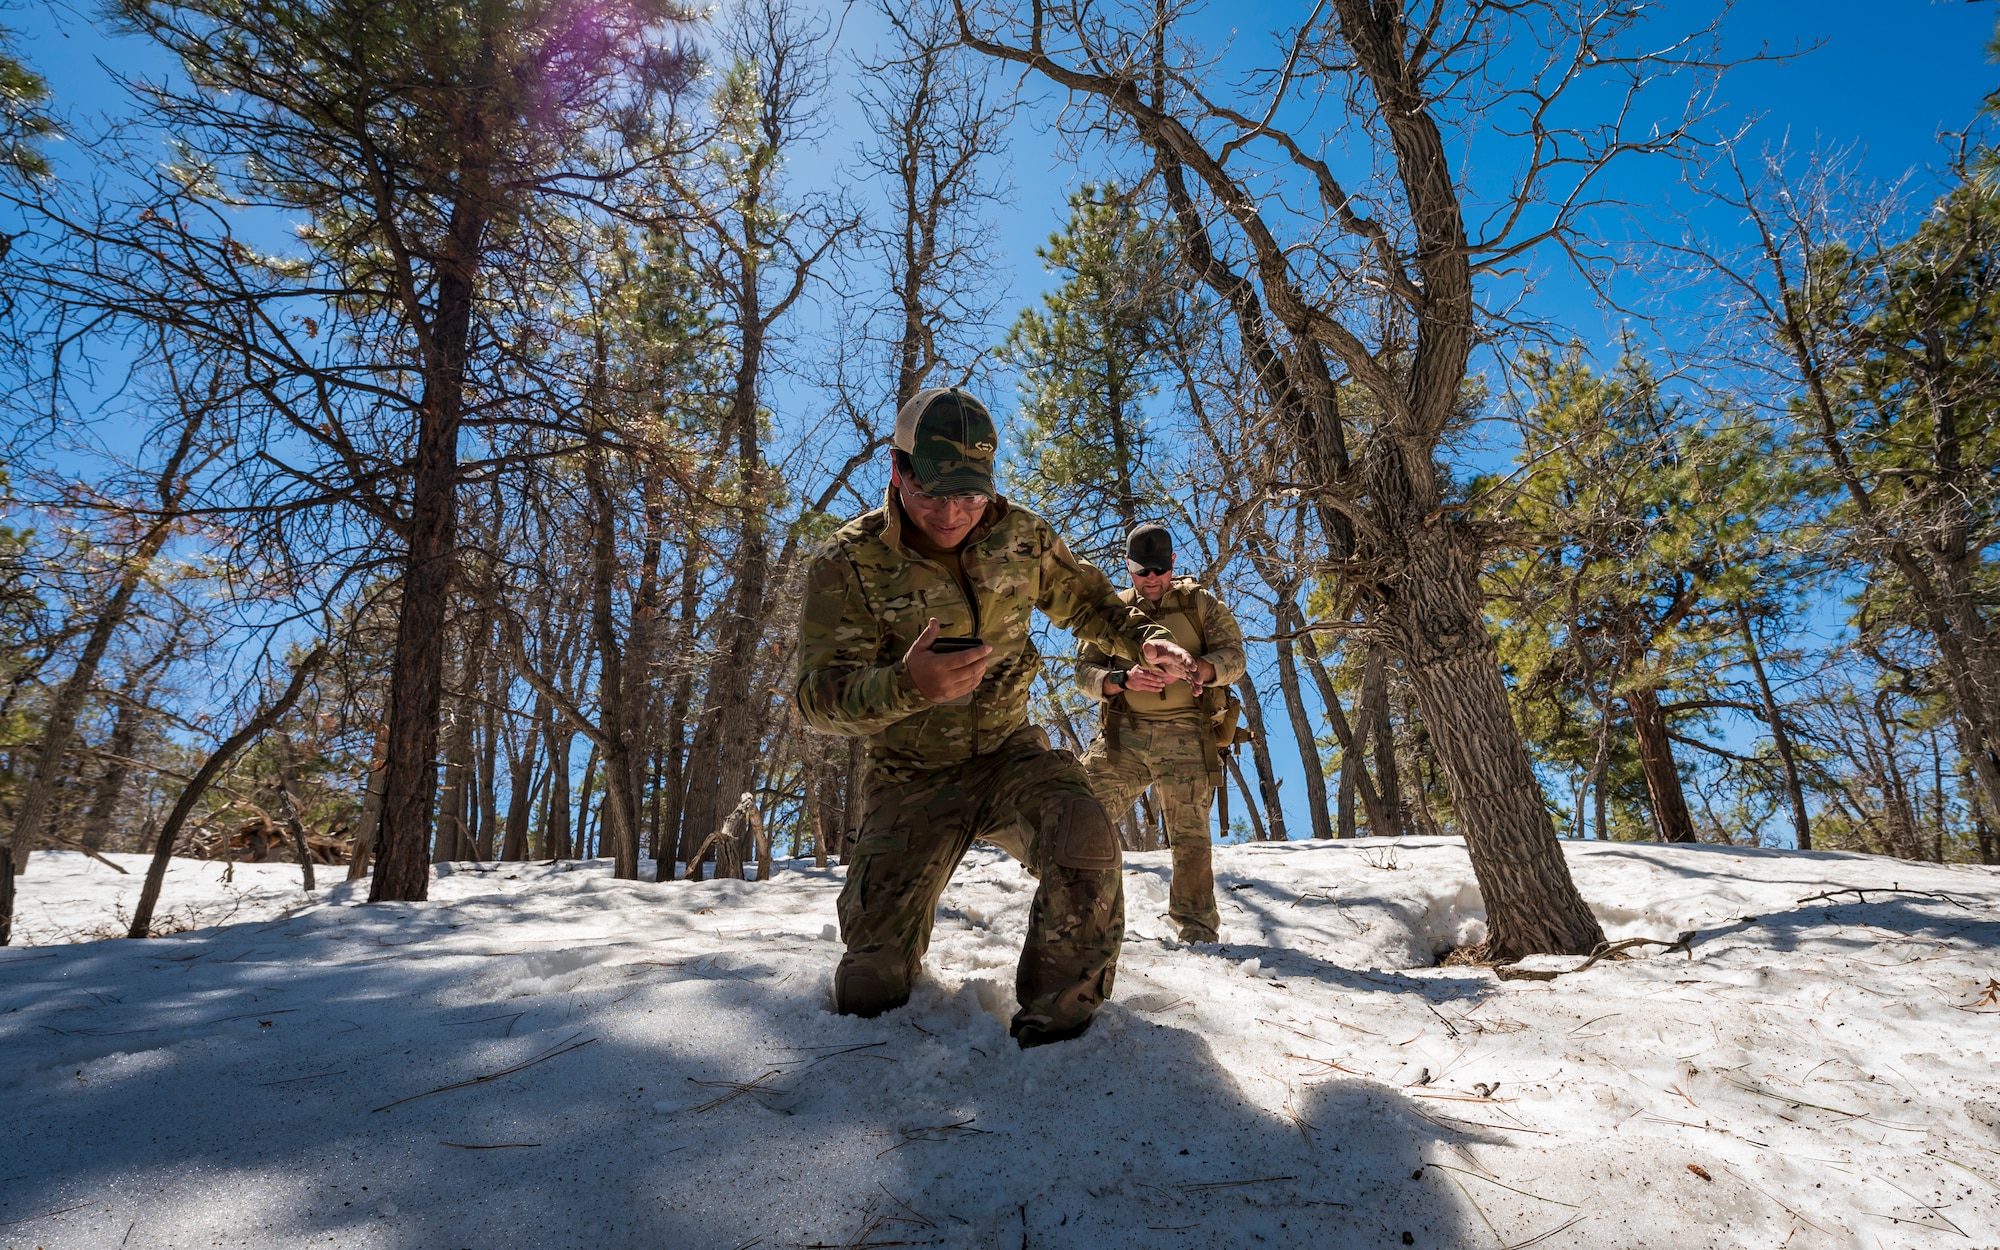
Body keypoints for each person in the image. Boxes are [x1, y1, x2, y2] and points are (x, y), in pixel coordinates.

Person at [793, 387, 1199, 1047]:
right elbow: (816, 698)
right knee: (870, 985)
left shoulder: (1021, 538)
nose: (953, 514)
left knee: (1086, 835)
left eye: (970, 497)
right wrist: (904, 685)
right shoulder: (849, 562)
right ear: (898, 473)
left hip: (1011, 757)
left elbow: (1090, 603)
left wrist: (1141, 638)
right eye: (933, 497)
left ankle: (1057, 1035)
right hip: (911, 777)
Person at [1075, 524, 1246, 944]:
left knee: (1189, 834)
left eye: (1157, 569)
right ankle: (1076, 916)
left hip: (1187, 733)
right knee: (1077, 811)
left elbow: (1235, 657)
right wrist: (1120, 679)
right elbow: (1083, 671)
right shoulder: (1113, 611)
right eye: (1140, 570)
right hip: (1125, 737)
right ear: (1127, 568)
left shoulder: (1200, 605)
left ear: (1171, 563)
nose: (1150, 579)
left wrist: (1204, 669)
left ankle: (1196, 925)